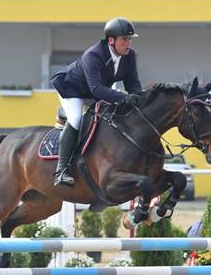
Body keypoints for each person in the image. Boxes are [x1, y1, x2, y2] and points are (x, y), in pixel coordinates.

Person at [51, 17, 143, 187]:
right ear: (111, 40)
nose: (128, 43)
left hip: (95, 92)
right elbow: (97, 89)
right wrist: (124, 98)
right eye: (124, 39)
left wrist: (139, 100)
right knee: (77, 120)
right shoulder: (94, 55)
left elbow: (133, 84)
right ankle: (61, 171)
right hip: (72, 89)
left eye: (129, 39)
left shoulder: (129, 56)